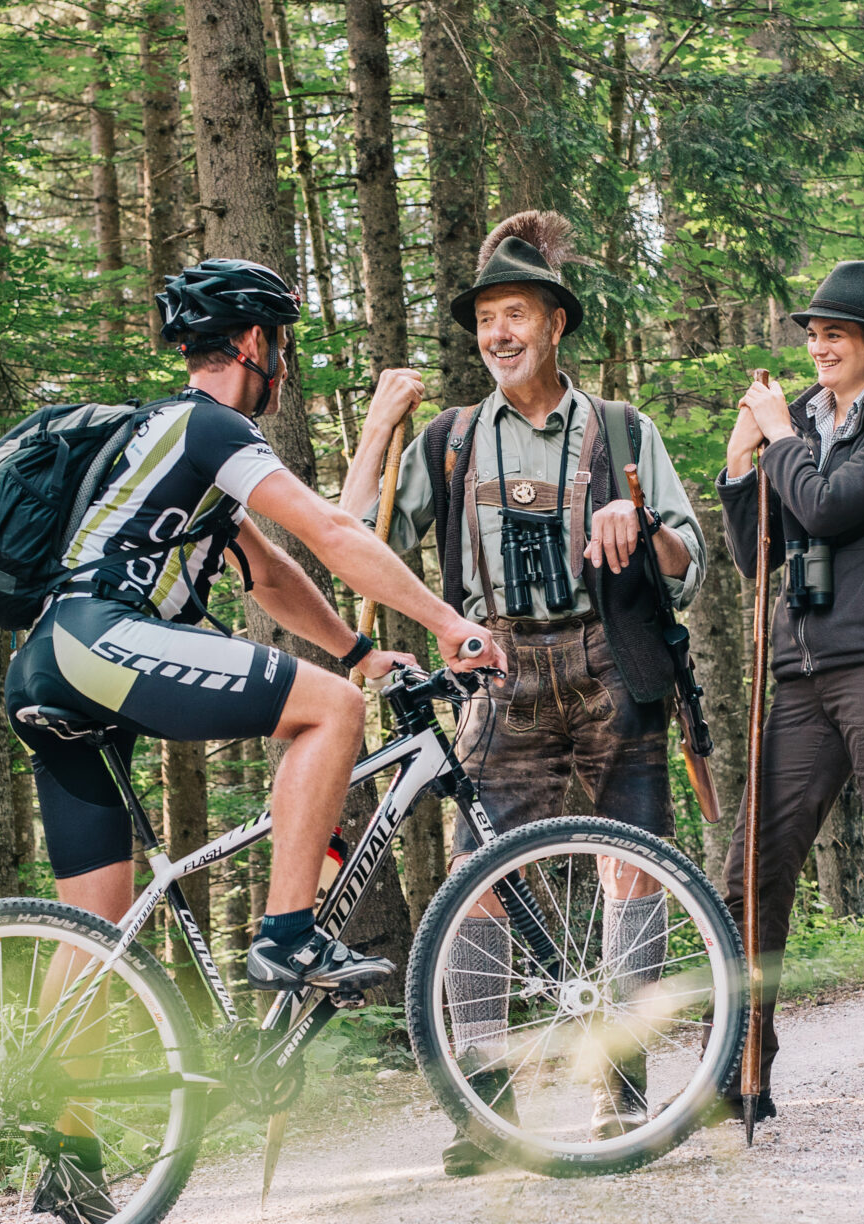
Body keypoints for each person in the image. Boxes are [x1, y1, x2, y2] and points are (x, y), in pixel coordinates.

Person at [5, 258, 502, 993]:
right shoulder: (210, 427)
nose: (285, 367)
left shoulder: (170, 445)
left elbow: (269, 573)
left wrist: (360, 652)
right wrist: (447, 623)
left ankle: (42, 1074)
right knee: (333, 709)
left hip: (46, 664)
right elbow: (332, 531)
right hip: (95, 638)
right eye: (281, 346)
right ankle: (289, 938)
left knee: (96, 934)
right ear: (251, 343)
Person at [340, 211, 706, 1174]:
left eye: (515, 314)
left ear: (555, 323)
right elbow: (353, 535)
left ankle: (622, 1098)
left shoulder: (622, 430)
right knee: (480, 880)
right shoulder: (449, 441)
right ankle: (485, 1109)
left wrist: (641, 523)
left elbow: (691, 561)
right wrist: (378, 425)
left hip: (610, 663)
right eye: (485, 319)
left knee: (634, 870)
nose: (498, 334)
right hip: (495, 673)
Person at [715, 256, 864, 1140]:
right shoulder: (802, 421)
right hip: (799, 673)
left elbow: (826, 507)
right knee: (751, 873)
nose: (818, 347)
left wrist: (780, 437)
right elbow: (762, 550)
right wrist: (740, 466)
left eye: (835, 335)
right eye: (813, 334)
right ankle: (742, 1067)